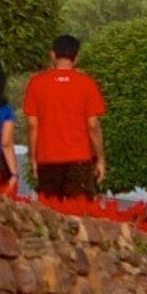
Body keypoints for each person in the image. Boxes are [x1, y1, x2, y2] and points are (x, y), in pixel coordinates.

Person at [22, 34, 108, 199]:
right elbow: (93, 125)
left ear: (52, 54)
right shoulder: (87, 83)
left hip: (47, 158)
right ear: (76, 57)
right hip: (79, 158)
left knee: (51, 215)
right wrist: (100, 159)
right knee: (79, 213)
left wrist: (33, 158)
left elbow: (33, 125)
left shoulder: (36, 83)